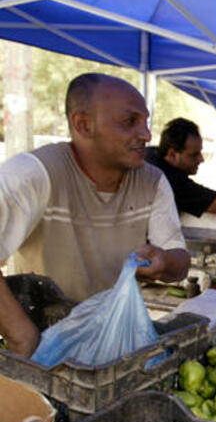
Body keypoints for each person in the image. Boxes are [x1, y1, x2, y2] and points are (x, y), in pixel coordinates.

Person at [0, 73, 189, 358]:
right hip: (45, 341)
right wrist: (23, 338)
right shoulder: (34, 174)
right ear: (83, 125)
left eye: (145, 121)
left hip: (113, 339)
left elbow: (181, 262)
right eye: (130, 122)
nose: (147, 135)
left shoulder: (153, 182)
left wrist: (165, 262)